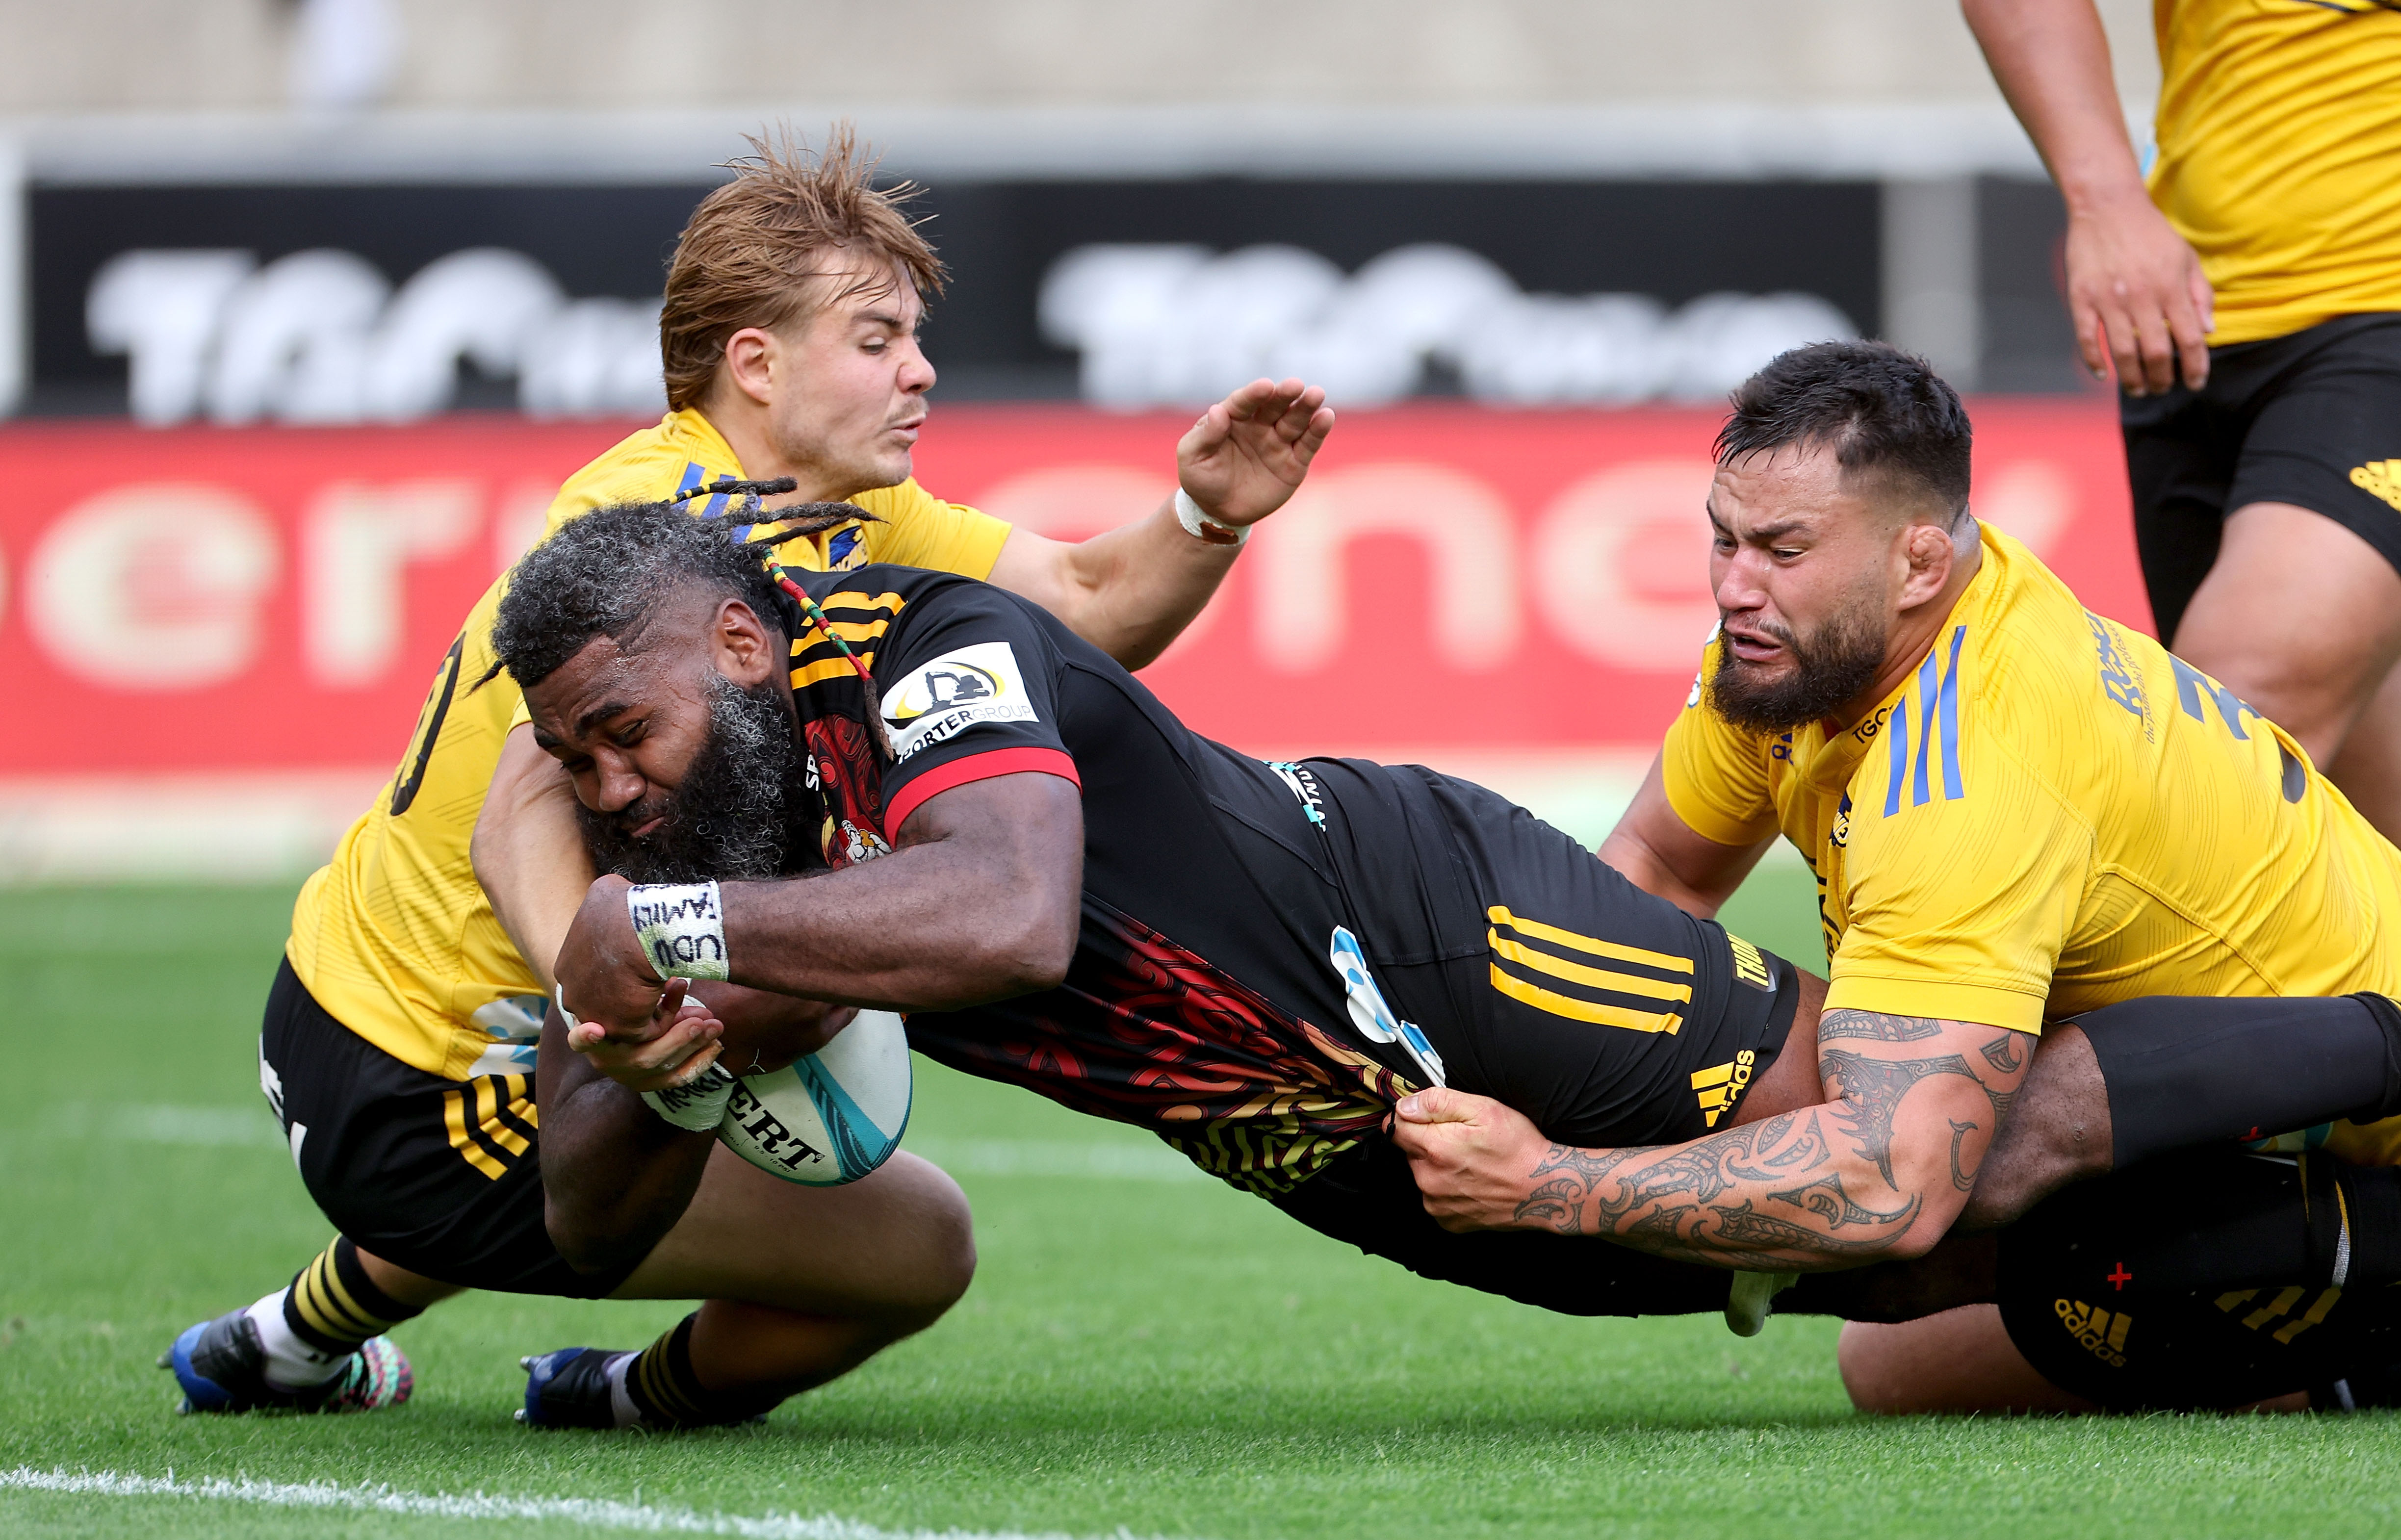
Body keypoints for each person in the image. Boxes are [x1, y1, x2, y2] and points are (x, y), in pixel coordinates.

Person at [506, 490, 2401, 1423]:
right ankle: (2334, 1293)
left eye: (625, 731)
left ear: (740, 657)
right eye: (577, 759)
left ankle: (2376, 1053)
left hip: (1447, 941)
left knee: (1926, 1177)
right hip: (1364, 1147)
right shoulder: (704, 846)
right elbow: (588, 1221)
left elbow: (1003, 908)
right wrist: (644, 1042)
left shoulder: (922, 648)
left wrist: (660, 932)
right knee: (1920, 1337)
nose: (611, 786)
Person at [160, 126, 1334, 1428]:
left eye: (915, 337)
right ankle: (624, 1399)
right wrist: (620, 1016)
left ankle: (284, 1341)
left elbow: (1085, 599)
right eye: (878, 338)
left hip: (363, 1004)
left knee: (772, 947)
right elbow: (522, 798)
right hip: (427, 1071)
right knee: (913, 1237)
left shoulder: (838, 506)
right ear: (758, 365)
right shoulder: (645, 522)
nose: (921, 369)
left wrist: (1207, 516)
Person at [1381, 339, 2401, 1412]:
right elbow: (1657, 870)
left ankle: (2348, 1310)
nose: (1735, 588)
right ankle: (2288, 1324)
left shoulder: (1973, 760)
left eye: (1782, 548)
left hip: (2362, 1120)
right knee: (1893, 1368)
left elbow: (1893, 1179)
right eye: (1723, 540)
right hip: (2205, 1092)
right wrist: (1538, 1051)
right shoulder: (1811, 643)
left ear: (1919, 561)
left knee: (1936, 1209)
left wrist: (1549, 1184)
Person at [1961, 0, 2401, 834]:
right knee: (2358, 832)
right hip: (2186, 323)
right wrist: (2105, 202)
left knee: (2226, 726)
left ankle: (1966, 966)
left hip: (2385, 316)